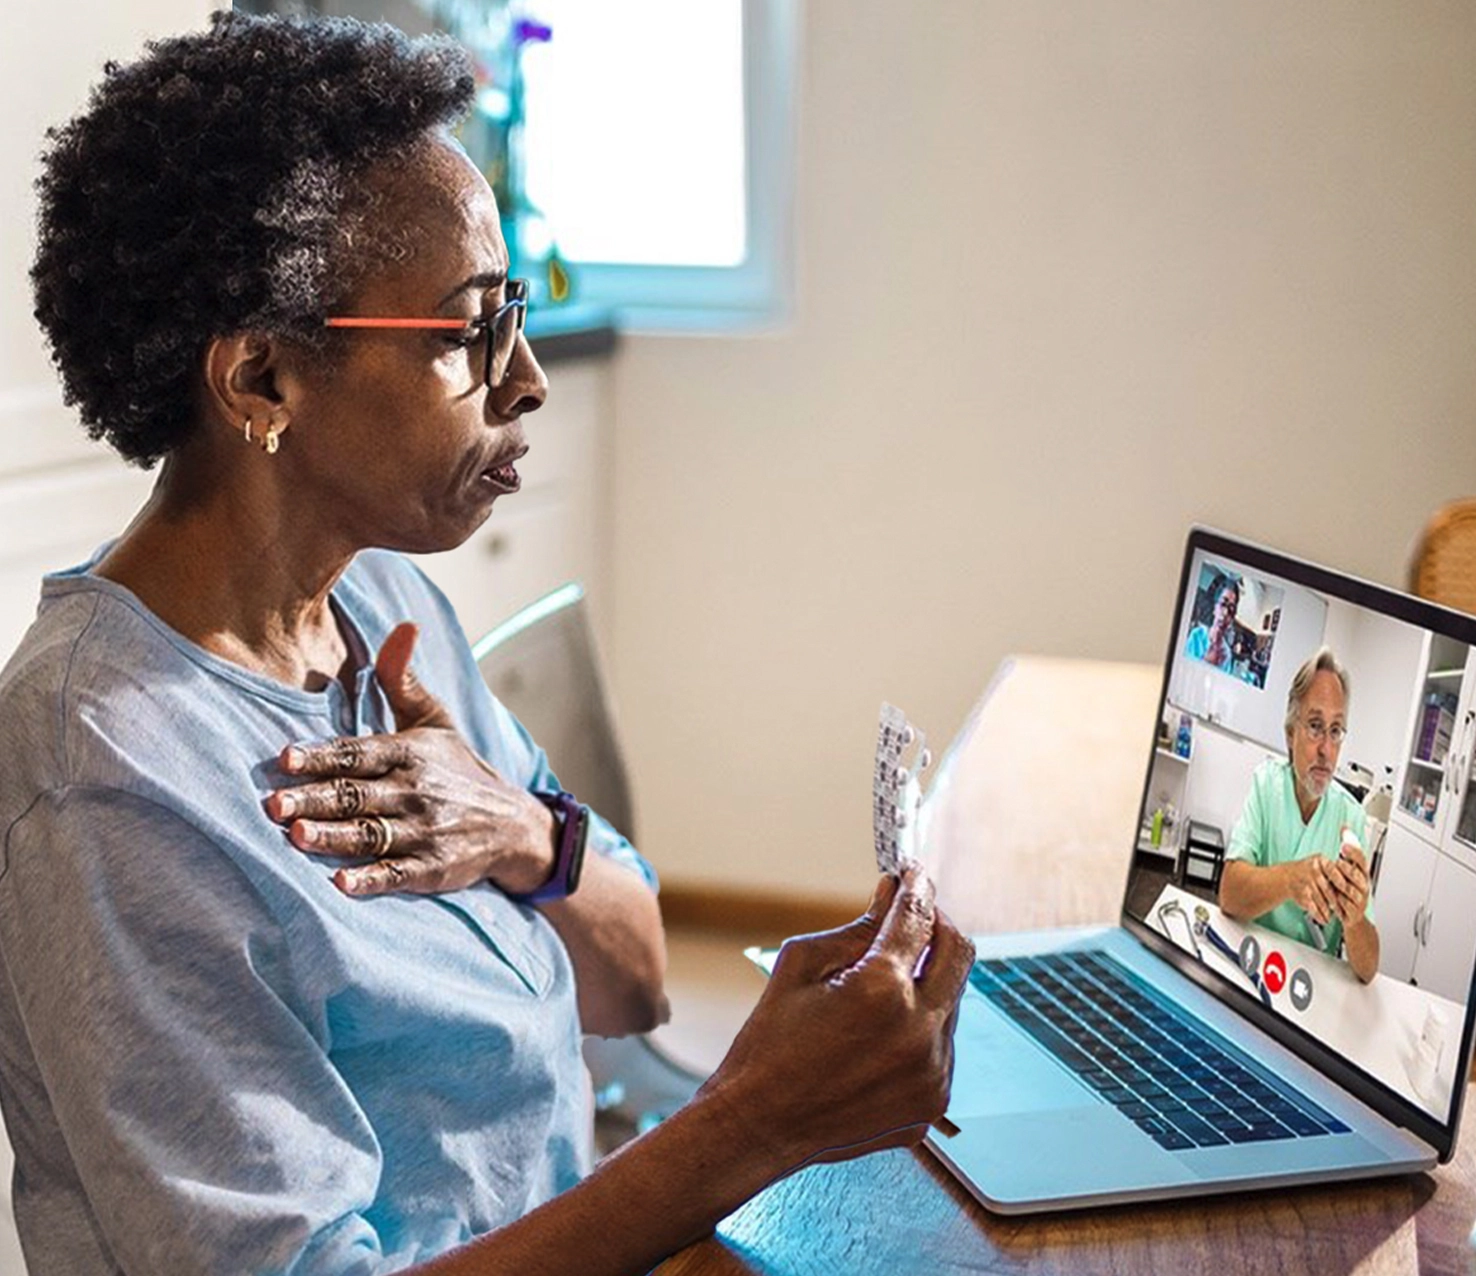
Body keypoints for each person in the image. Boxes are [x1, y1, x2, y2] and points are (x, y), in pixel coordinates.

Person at [0, 13, 973, 1275]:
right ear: (260, 385)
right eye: (468, 328)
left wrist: (521, 829)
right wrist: (756, 1120)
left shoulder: (380, 609)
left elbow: (637, 985)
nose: (525, 380)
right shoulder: (110, 783)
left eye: (513, 310)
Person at [1218, 647, 1380, 983]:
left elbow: (1368, 969)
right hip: (1255, 961)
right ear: (1291, 733)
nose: (1326, 749)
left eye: (1335, 731)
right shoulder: (1266, 785)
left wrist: (1354, 918)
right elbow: (1229, 894)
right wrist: (1291, 879)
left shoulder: (1351, 816)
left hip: (1311, 983)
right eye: (1315, 726)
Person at [1185, 574, 1241, 674]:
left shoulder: (1227, 654)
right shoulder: (1196, 635)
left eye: (1231, 610)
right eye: (1223, 604)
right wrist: (1206, 663)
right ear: (1215, 608)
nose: (1225, 613)